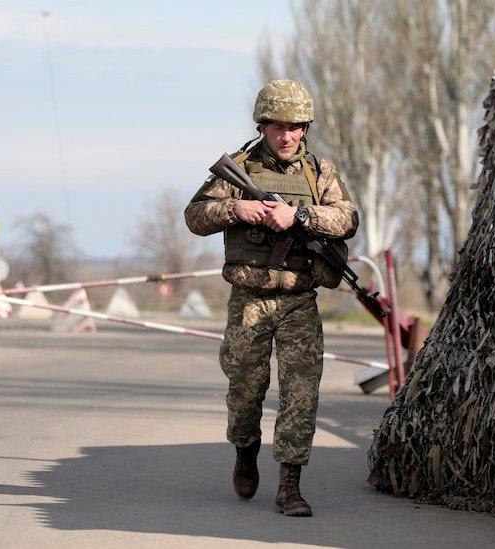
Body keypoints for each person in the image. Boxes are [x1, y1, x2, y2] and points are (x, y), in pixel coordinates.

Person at [184, 79, 358, 517]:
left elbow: (347, 218)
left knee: (302, 393)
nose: (288, 136)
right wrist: (235, 209)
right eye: (279, 127)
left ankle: (290, 486)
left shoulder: (321, 174)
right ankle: (245, 450)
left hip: (300, 299)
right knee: (245, 390)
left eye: (297, 127)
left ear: (306, 128)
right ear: (262, 126)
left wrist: (298, 214)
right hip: (250, 300)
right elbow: (195, 216)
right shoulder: (239, 169)